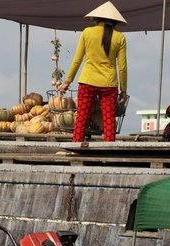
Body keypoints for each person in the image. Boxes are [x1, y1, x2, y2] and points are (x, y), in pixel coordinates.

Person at [59, 1, 128, 142]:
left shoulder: (87, 32)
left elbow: (77, 60)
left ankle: (76, 150)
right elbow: (122, 67)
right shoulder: (120, 37)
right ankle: (109, 154)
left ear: (96, 19)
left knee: (81, 119)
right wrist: (124, 90)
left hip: (87, 82)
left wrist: (67, 82)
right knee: (109, 122)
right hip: (109, 84)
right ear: (115, 21)